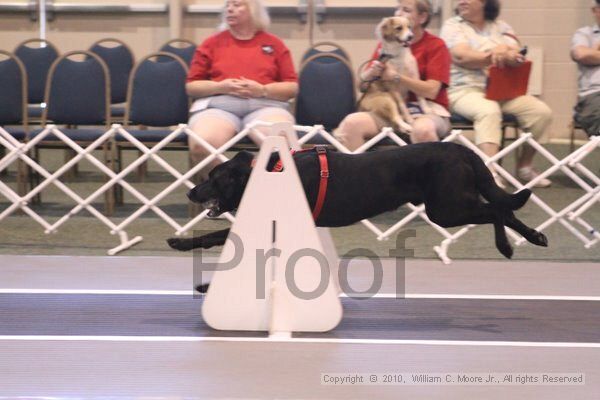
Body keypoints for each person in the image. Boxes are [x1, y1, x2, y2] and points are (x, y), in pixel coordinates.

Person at [440, 0, 552, 188]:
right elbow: (461, 56)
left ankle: (524, 167)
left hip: (501, 91)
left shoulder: (502, 27)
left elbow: (517, 56)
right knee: (489, 110)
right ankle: (488, 172)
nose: (461, 1)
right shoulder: (452, 26)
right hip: (462, 91)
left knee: (541, 112)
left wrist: (510, 54)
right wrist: (496, 52)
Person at [186, 0, 298, 181]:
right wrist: (221, 86)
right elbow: (192, 85)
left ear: (253, 11)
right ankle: (225, 195)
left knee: (282, 144)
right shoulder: (211, 43)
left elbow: (291, 87)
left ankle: (267, 194)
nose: (230, 9)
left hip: (265, 107)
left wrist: (262, 89)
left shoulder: (274, 43)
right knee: (202, 144)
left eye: (237, 5)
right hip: (219, 108)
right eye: (228, 5)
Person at [334, 0, 452, 151]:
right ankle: (356, 173)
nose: (398, 13)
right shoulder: (387, 44)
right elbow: (362, 87)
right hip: (392, 109)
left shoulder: (436, 45)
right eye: (398, 9)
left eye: (406, 10)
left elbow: (431, 91)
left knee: (422, 130)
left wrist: (396, 77)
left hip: (428, 110)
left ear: (422, 17)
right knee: (351, 124)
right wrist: (371, 73)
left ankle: (429, 174)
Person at [571, 0, 600, 138]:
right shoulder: (584, 34)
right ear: (595, 11)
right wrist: (590, 53)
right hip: (594, 95)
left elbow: (590, 55)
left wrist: (595, 54)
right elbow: (581, 54)